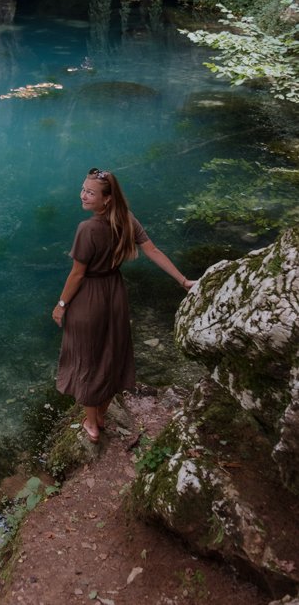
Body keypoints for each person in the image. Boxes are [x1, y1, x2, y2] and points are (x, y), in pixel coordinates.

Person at [52, 167, 196, 444]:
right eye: (83, 189)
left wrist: (60, 304)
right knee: (110, 354)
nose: (82, 195)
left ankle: (92, 425)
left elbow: (77, 274)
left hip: (89, 296)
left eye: (90, 192)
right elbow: (152, 250)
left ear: (106, 199)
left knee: (86, 357)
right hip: (115, 293)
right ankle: (101, 416)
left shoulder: (87, 229)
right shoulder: (126, 219)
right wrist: (183, 280)